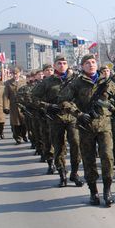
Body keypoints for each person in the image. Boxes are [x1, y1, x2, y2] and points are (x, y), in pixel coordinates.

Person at [59, 55, 115, 207]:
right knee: (89, 160)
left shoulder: (106, 82)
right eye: (87, 63)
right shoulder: (76, 83)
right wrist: (78, 114)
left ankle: (107, 191)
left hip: (104, 126)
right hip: (86, 127)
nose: (91, 65)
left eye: (93, 62)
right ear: (82, 66)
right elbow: (63, 101)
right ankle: (93, 192)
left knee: (107, 158)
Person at [33, 55, 83, 187]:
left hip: (72, 118)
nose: (62, 65)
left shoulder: (75, 80)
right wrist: (47, 106)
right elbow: (33, 98)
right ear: (54, 66)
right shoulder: (47, 82)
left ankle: (75, 173)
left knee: (76, 144)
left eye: (64, 63)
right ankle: (62, 174)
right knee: (59, 147)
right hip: (55, 118)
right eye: (59, 63)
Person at [32, 64, 55, 172]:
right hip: (45, 116)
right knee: (47, 140)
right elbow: (35, 100)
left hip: (58, 117)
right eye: (47, 70)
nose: (49, 72)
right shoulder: (40, 86)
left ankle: (59, 163)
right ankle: (50, 163)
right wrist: (43, 108)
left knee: (59, 141)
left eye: (51, 70)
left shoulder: (61, 83)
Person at [3, 67, 28, 144]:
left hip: (23, 105)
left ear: (19, 73)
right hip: (13, 106)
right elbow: (5, 96)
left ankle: (24, 135)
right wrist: (5, 107)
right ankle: (17, 138)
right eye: (13, 74)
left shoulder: (24, 82)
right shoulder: (8, 83)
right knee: (15, 123)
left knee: (24, 123)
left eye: (16, 73)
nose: (15, 75)